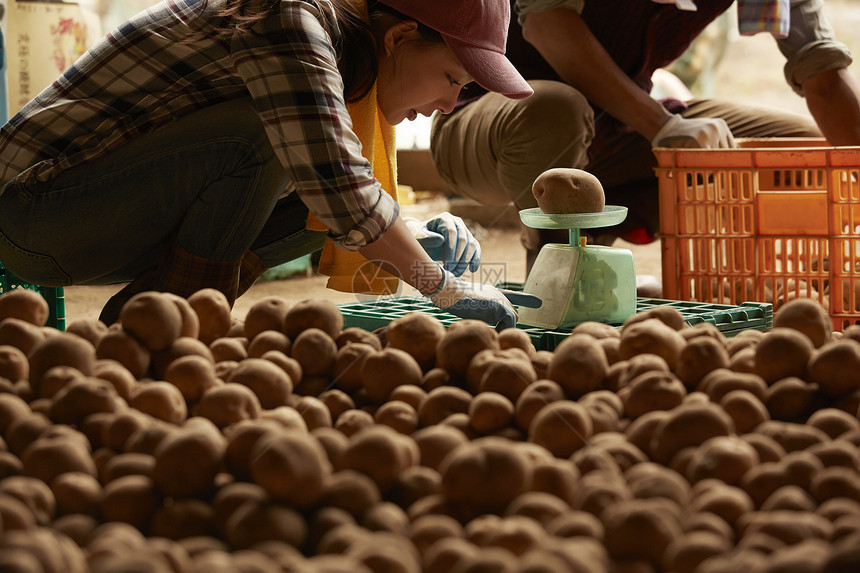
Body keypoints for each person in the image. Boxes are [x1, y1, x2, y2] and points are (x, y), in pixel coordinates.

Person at [0, 0, 540, 329]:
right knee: (265, 138)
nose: (449, 106)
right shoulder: (291, 19)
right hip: (34, 216)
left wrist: (410, 232)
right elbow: (339, 185)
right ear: (399, 37)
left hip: (96, 217)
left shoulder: (342, 52)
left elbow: (336, 192)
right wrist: (441, 285)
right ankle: (177, 328)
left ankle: (150, 318)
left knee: (325, 210)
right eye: (452, 80)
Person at [429, 0, 860, 274]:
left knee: (805, 151)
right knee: (555, 108)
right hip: (493, 125)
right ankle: (558, 271)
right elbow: (545, 23)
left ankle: (599, 241)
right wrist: (663, 127)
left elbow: (823, 77)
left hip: (619, 127)